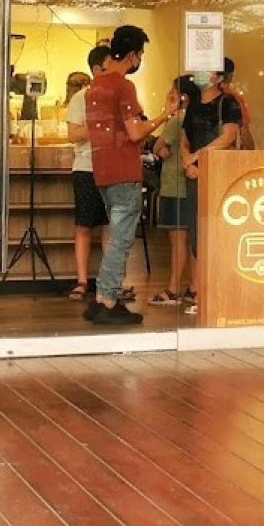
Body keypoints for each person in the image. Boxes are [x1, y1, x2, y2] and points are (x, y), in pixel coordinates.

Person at [86, 25, 178, 325]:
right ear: (132, 55)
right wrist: (166, 114)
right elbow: (136, 132)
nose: (140, 60)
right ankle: (109, 300)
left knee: (114, 238)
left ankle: (101, 298)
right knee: (121, 240)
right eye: (140, 54)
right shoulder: (123, 87)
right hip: (124, 169)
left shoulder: (94, 86)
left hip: (102, 169)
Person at [181, 58, 242, 313]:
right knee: (197, 234)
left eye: (206, 70)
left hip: (219, 175)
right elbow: (184, 138)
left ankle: (219, 291)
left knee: (217, 232)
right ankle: (201, 291)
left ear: (218, 77)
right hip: (194, 175)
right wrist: (187, 161)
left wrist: (197, 157)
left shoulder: (228, 103)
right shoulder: (193, 105)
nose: (199, 73)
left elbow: (228, 137)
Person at [65, 47, 110, 299]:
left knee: (110, 227)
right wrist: (99, 125)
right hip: (86, 167)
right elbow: (73, 135)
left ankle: (110, 281)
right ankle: (82, 281)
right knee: (84, 226)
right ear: (96, 69)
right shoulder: (80, 98)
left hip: (113, 167)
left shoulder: (121, 95)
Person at [151, 75, 200, 306]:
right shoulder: (198, 119)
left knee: (178, 240)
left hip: (174, 185)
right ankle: (195, 287)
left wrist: (160, 147)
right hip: (191, 186)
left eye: (173, 90)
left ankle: (172, 289)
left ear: (183, 96)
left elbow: (158, 145)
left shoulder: (177, 121)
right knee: (193, 241)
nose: (169, 94)